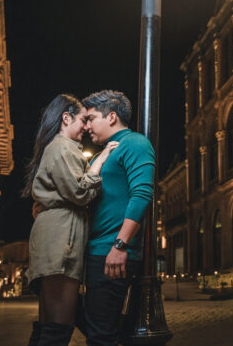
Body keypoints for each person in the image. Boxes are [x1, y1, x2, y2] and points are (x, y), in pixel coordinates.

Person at [22, 94, 119, 346]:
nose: (87, 126)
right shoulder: (62, 147)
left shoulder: (56, 147)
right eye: (83, 119)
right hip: (61, 241)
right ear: (66, 118)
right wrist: (100, 161)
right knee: (58, 326)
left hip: (54, 238)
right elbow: (80, 192)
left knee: (49, 324)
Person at [80, 89, 155, 346]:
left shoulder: (135, 143)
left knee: (100, 337)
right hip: (98, 251)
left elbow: (142, 194)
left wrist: (120, 245)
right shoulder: (106, 153)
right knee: (99, 330)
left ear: (111, 117)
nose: (86, 126)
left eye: (91, 119)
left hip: (111, 253)